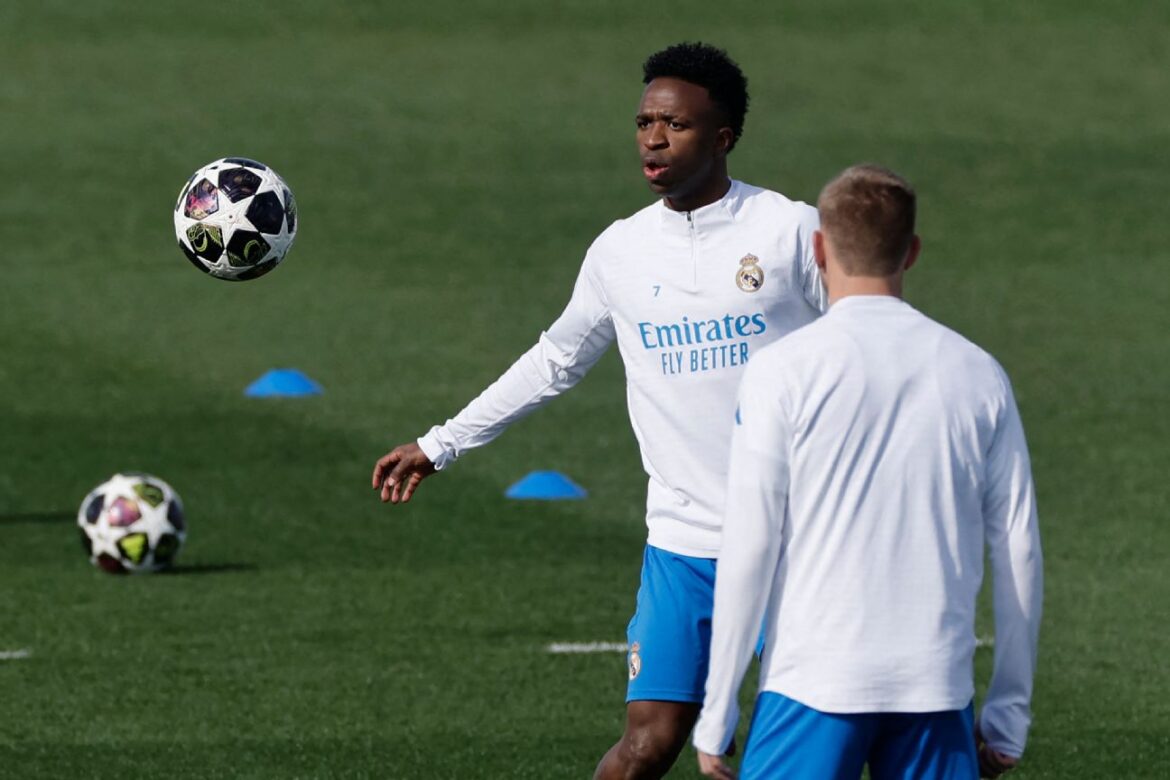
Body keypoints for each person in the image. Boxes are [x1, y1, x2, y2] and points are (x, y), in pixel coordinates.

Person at [372, 42, 826, 779]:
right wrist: (440, 443)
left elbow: (874, 337)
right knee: (646, 745)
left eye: (674, 125)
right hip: (684, 544)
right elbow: (555, 361)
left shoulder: (786, 230)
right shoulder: (620, 251)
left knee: (798, 754)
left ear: (723, 136)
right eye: (644, 121)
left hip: (800, 538)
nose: (652, 138)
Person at [692, 164, 1043, 780]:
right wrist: (1007, 714)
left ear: (820, 248)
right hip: (936, 690)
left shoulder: (783, 371)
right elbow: (1019, 549)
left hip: (810, 686)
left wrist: (718, 710)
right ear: (911, 252)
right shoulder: (978, 373)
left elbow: (750, 544)